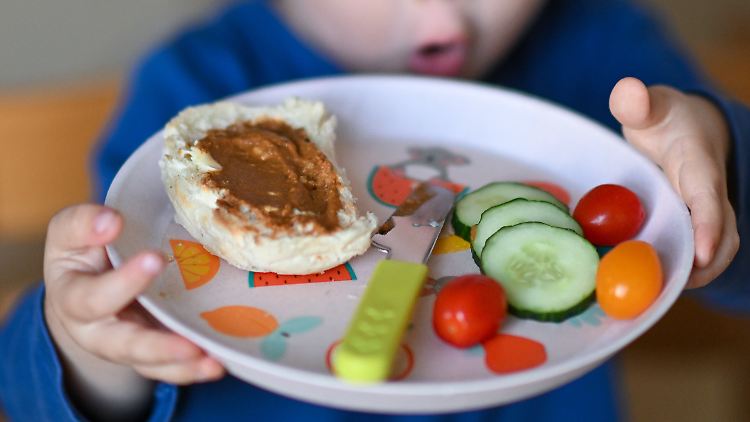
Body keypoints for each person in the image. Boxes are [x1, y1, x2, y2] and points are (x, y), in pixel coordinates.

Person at [1, 0, 748, 420]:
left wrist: (716, 161)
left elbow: (714, 242)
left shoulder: (604, 50)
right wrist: (92, 358)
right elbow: (31, 392)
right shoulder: (194, 87)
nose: (444, 15)